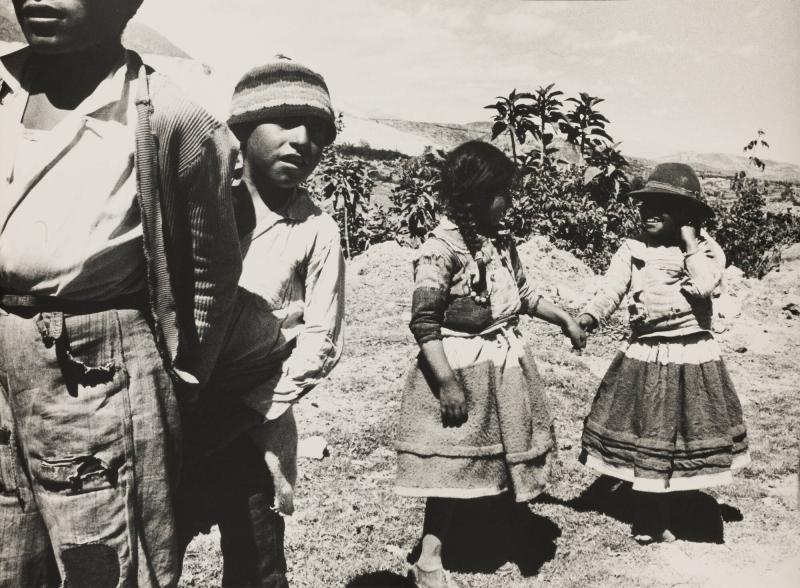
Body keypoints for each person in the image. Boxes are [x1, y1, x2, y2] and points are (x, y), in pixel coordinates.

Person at [0, 1, 242, 586]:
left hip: (98, 364)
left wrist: (183, 378)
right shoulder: (3, 90)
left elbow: (211, 272)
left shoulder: (173, 119)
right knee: (11, 544)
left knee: (103, 554)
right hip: (4, 353)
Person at [176, 58, 345, 588]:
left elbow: (321, 341)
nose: (302, 141)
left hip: (253, 424)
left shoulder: (316, 231)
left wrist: (246, 411)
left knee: (257, 558)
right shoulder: (198, 210)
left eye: (317, 133)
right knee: (156, 546)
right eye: (285, 123)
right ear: (242, 132)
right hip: (175, 415)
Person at [394, 141, 586, 588]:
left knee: (500, 456)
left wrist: (565, 320)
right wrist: (446, 383)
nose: (510, 202)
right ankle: (430, 559)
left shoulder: (499, 243)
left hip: (503, 365)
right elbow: (423, 321)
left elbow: (523, 296)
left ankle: (494, 532)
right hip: (462, 365)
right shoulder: (440, 251)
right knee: (454, 464)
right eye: (504, 193)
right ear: (478, 195)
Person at [577, 162, 749, 543]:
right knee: (650, 431)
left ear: (687, 216)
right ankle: (649, 516)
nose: (650, 212)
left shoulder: (704, 251)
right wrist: (589, 317)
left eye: (664, 206)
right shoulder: (633, 249)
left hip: (691, 355)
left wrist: (689, 243)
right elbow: (611, 289)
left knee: (687, 432)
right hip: (647, 354)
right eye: (646, 204)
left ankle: (681, 505)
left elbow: (704, 286)